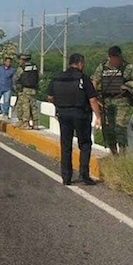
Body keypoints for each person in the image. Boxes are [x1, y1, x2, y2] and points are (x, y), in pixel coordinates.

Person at [47, 53, 102, 186]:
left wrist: (60, 106)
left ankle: (66, 177)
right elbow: (93, 99)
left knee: (65, 145)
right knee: (85, 144)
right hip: (80, 114)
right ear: (80, 63)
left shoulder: (57, 77)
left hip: (63, 114)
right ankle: (84, 175)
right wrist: (98, 116)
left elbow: (50, 97)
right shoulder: (83, 78)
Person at [92, 45, 133, 154]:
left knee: (120, 127)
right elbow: (95, 81)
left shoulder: (128, 68)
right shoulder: (103, 67)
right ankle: (114, 153)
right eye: (113, 58)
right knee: (108, 129)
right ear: (109, 57)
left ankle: (123, 152)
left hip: (122, 101)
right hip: (106, 102)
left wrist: (131, 86)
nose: (115, 60)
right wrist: (94, 96)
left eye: (117, 58)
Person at [13, 53, 40, 129]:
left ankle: (26, 123)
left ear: (23, 60)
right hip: (33, 89)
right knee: (33, 106)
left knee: (25, 106)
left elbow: (16, 78)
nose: (19, 61)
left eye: (20, 59)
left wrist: (16, 88)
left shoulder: (22, 68)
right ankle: (35, 123)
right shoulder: (34, 66)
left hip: (24, 89)